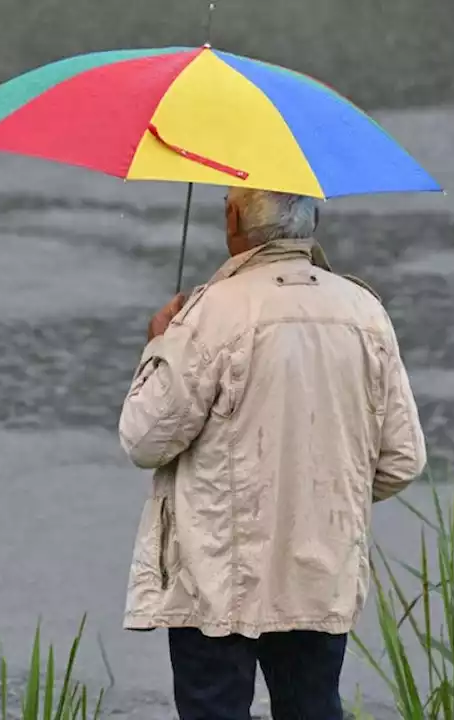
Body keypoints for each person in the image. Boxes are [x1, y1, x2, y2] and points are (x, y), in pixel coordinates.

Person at [117, 187, 427, 720]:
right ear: (311, 222)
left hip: (215, 573)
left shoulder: (212, 312)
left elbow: (144, 439)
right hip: (319, 566)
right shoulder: (365, 312)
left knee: (214, 708)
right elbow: (402, 458)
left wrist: (159, 344)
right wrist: (328, 492)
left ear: (234, 217)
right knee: (311, 707)